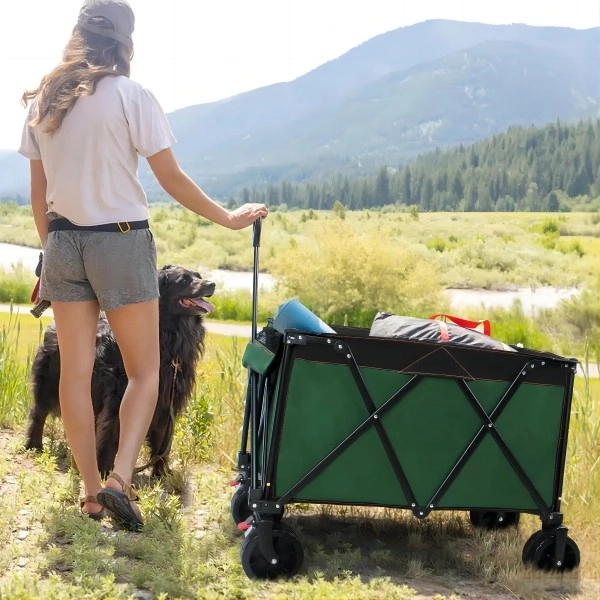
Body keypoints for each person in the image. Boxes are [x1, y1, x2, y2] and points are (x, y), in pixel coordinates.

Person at [19, 0, 267, 530]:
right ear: (125, 44)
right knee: (145, 371)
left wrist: (51, 256)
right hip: (122, 241)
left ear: (77, 36)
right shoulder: (132, 95)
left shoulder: (46, 101)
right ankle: (120, 482)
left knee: (76, 375)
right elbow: (172, 180)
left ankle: (89, 494)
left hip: (63, 241)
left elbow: (39, 197)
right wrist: (228, 218)